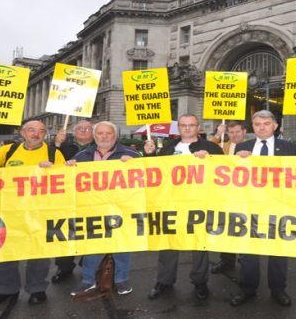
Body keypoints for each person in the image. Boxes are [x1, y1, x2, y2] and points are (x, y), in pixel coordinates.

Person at [0, 120, 65, 306]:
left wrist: (52, 170)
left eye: (41, 131)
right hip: (9, 210)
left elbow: (66, 181)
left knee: (38, 253)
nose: (36, 134)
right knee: (7, 252)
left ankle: (37, 289)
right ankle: (6, 290)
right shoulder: (9, 150)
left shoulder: (54, 153)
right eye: (31, 130)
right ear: (22, 133)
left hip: (40, 211)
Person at [143, 114, 224, 301]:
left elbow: (223, 173)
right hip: (171, 202)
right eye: (183, 125)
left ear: (198, 127)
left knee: (199, 244)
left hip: (200, 202)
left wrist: (210, 159)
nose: (187, 128)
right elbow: (154, 171)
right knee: (168, 243)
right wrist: (149, 154)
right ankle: (164, 281)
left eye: (191, 125)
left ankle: (200, 282)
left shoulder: (212, 148)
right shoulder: (168, 148)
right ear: (178, 128)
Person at [230, 110, 296, 307]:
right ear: (252, 126)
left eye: (266, 123)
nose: (262, 127)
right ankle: (247, 289)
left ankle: (278, 289)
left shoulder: (290, 148)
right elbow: (230, 176)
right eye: (258, 124)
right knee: (248, 250)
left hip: (279, 205)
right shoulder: (241, 147)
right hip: (249, 205)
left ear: (275, 126)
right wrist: (237, 161)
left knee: (278, 249)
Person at [66, 121, 141, 296]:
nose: (104, 136)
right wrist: (68, 168)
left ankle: (121, 280)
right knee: (93, 244)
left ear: (115, 135)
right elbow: (69, 182)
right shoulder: (83, 155)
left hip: (122, 207)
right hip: (93, 208)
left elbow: (147, 176)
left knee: (122, 245)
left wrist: (136, 164)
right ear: (94, 136)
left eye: (108, 133)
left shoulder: (131, 154)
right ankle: (87, 280)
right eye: (100, 133)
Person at [50, 120, 95, 284]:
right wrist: (56, 143)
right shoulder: (63, 146)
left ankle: (89, 264)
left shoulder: (101, 147)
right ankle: (64, 267)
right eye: (80, 128)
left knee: (92, 232)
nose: (84, 131)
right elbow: (49, 159)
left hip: (92, 199)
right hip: (67, 198)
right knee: (66, 232)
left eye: (88, 128)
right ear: (73, 132)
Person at [208, 121, 247, 274]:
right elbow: (207, 147)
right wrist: (218, 134)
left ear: (244, 131)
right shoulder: (224, 146)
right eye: (231, 132)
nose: (235, 135)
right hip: (225, 195)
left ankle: (245, 259)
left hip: (245, 196)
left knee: (244, 227)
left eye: (237, 131)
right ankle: (226, 261)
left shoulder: (252, 146)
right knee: (225, 228)